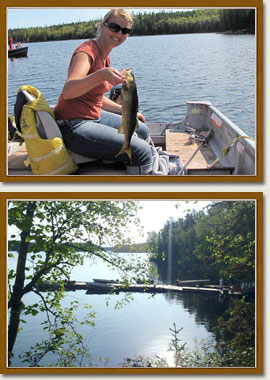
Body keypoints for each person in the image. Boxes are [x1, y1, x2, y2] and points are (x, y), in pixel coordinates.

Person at [54, 9, 152, 175]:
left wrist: (124, 111)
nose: (119, 34)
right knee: (142, 152)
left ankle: (123, 160)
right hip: (73, 126)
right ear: (102, 26)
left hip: (93, 116)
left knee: (142, 129)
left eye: (125, 31)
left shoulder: (105, 55)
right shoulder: (86, 52)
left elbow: (96, 96)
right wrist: (101, 75)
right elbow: (68, 91)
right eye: (114, 27)